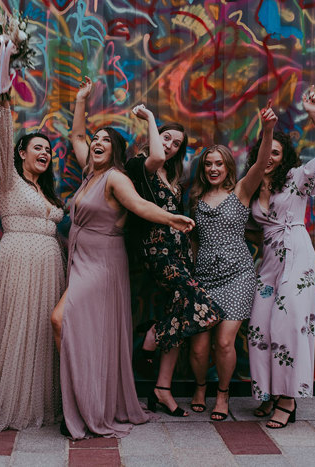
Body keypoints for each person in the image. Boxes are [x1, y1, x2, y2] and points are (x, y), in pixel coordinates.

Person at [50, 77, 196, 439]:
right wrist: (82, 99)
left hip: (102, 263)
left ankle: (86, 399)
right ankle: (89, 397)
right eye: (95, 140)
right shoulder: (90, 173)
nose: (96, 144)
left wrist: (171, 218)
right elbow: (77, 137)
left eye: (105, 141)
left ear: (115, 151)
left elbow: (140, 206)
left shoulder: (116, 177)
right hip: (81, 258)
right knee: (85, 330)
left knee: (59, 319)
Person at [122, 102, 224, 419]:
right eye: (166, 138)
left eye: (175, 144)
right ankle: (152, 337)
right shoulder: (142, 166)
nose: (169, 146)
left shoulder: (173, 178)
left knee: (179, 318)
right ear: (156, 136)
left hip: (179, 255)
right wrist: (151, 118)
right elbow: (155, 155)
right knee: (204, 308)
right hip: (157, 253)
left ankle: (162, 389)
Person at [246, 86, 315, 428]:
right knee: (260, 327)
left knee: (289, 326)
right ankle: (268, 392)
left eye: (276, 152)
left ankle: (288, 400)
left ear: (284, 156)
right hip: (269, 263)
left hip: (297, 258)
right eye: (266, 150)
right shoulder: (254, 185)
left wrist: (314, 113)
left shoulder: (296, 179)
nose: (270, 156)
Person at [0, 80, 66, 430]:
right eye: (38, 147)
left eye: (48, 149)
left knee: (43, 333)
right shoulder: (9, 179)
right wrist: (1, 103)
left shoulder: (45, 191)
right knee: (18, 328)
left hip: (49, 264)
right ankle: (13, 403)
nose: (44, 153)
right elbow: (1, 138)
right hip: (18, 258)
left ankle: (41, 402)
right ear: (21, 152)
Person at [187, 103, 277, 420]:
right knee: (199, 347)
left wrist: (267, 130)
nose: (213, 169)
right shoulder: (196, 199)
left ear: (228, 168)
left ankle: (222, 395)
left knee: (224, 342)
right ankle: (200, 387)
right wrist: (192, 276)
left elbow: (263, 161)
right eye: (209, 164)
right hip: (204, 279)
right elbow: (194, 240)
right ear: (203, 168)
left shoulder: (240, 191)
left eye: (219, 164)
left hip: (238, 276)